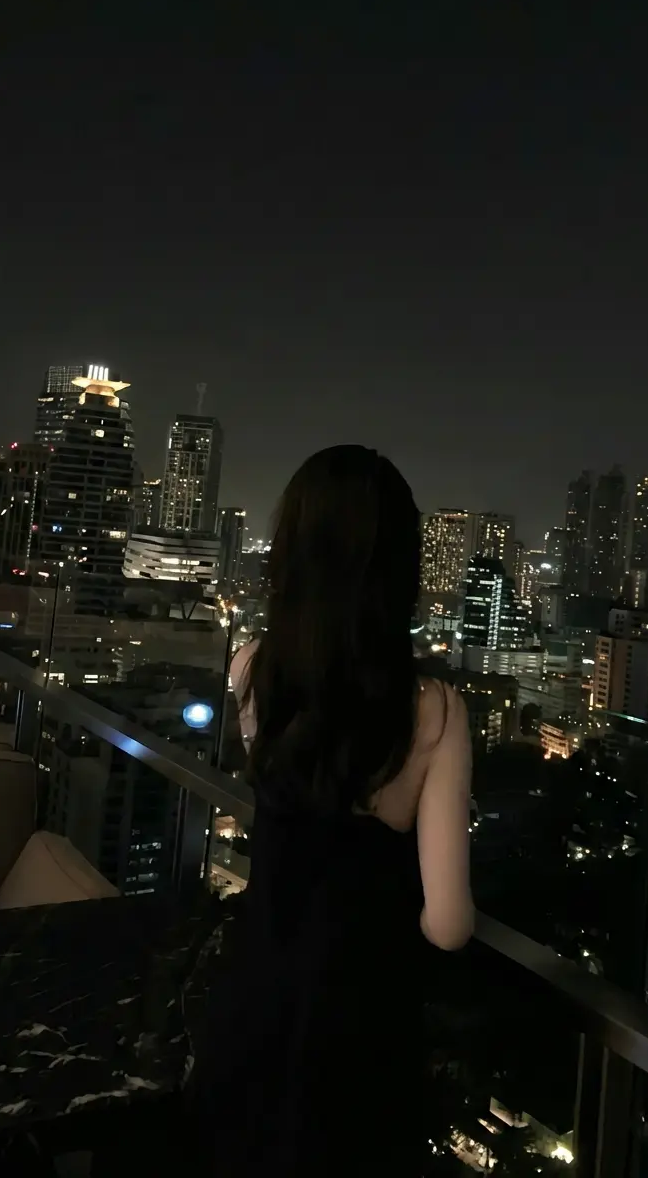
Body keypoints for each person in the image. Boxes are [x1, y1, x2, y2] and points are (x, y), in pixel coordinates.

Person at [191, 446, 474, 1176]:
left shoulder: (251, 668)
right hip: (362, 1032)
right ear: (401, 568)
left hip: (253, 1001)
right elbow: (448, 926)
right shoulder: (435, 711)